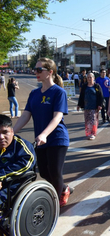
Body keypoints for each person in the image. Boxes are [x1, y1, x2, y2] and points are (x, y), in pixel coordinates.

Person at [13, 57, 72, 207]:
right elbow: (26, 115)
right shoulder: (34, 93)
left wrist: (45, 133)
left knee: (54, 171)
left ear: (50, 72)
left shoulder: (59, 92)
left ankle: (54, 205)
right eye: (35, 69)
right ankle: (64, 188)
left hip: (57, 138)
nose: (36, 72)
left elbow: (58, 116)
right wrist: (11, 132)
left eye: (39, 70)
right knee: (44, 173)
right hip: (41, 139)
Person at [0, 114, 36, 205]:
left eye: (5, 132)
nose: (1, 137)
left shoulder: (21, 146)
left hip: (13, 182)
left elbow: (26, 163)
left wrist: (2, 176)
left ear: (12, 131)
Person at [77, 72, 104, 140]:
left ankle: (93, 133)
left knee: (93, 120)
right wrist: (79, 105)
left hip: (94, 107)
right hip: (86, 106)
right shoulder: (84, 86)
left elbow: (100, 96)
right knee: (87, 120)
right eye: (88, 77)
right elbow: (81, 96)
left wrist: (100, 105)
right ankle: (88, 133)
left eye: (90, 77)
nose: (89, 79)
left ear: (93, 78)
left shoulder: (96, 86)